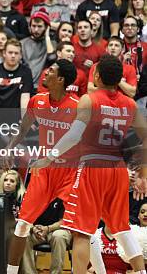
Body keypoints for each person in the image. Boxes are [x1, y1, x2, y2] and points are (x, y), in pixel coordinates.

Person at [31, 55, 147, 274]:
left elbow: (74, 135)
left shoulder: (89, 99)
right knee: (122, 228)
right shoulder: (130, 104)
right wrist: (143, 172)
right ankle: (141, 272)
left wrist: (49, 157)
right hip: (118, 169)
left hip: (93, 167)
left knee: (81, 232)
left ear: (98, 76)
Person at [3, 59, 79, 274]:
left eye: (51, 71)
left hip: (69, 172)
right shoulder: (37, 101)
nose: (45, 73)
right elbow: (24, 127)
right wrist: (9, 147)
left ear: (61, 79)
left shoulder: (77, 105)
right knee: (22, 225)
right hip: (43, 172)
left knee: (83, 229)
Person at [0, 38, 33, 126]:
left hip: (16, 119)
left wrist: (24, 120)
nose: (13, 56)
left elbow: (25, 98)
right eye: (10, 52)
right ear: (4, 53)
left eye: (16, 53)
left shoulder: (26, 72)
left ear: (20, 55)